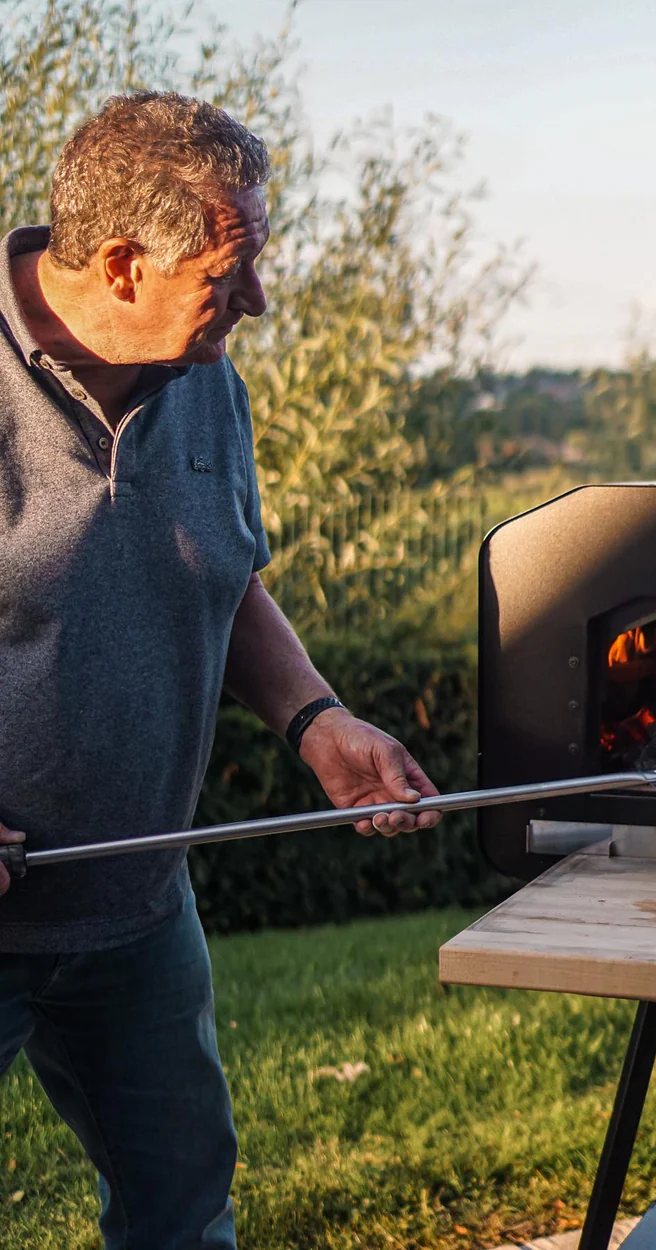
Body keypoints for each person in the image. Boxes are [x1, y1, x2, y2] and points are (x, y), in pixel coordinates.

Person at [0, 91, 441, 1249]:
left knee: (184, 1216)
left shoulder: (206, 378)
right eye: (225, 270)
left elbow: (218, 571)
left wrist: (316, 718)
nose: (256, 298)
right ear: (120, 263)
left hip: (138, 906)